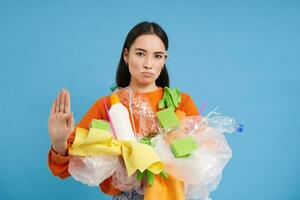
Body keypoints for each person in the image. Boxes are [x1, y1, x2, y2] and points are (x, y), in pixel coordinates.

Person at [48, 21, 199, 200]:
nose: (149, 64)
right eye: (141, 54)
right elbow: (65, 169)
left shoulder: (181, 103)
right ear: (126, 55)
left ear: (164, 59)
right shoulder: (106, 106)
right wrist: (59, 143)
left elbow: (202, 157)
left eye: (157, 56)